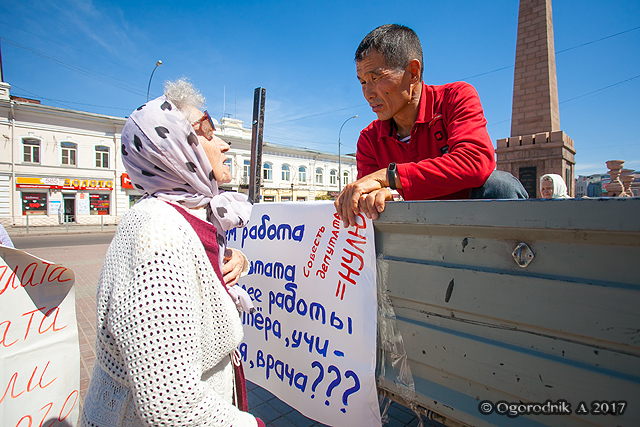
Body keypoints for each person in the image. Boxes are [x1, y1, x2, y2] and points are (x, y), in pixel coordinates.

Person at [80, 79, 264, 427]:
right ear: (174, 148)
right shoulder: (156, 229)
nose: (224, 145)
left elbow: (198, 269)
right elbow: (171, 405)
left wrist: (235, 256)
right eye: (207, 133)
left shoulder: (184, 213)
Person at [335, 24, 527, 227]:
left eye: (375, 78)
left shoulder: (455, 98)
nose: (368, 93)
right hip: (413, 237)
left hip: (473, 228)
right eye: (363, 82)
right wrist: (381, 196)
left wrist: (389, 176)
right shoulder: (369, 138)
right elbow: (368, 192)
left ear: (413, 72)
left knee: (500, 186)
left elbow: (475, 162)